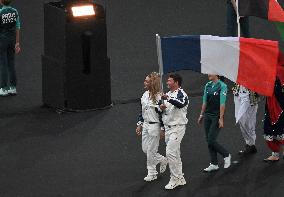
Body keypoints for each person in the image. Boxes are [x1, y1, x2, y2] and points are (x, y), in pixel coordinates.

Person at [157, 73, 188, 190]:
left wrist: (168, 99)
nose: (167, 82)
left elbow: (180, 104)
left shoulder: (182, 94)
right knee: (175, 153)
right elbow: (161, 111)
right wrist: (160, 108)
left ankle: (174, 179)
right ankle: (180, 178)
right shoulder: (167, 94)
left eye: (169, 81)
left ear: (176, 82)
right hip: (168, 128)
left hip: (178, 128)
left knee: (170, 152)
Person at [136, 72, 167, 182]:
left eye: (147, 81)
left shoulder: (160, 97)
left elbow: (163, 115)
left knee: (150, 151)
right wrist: (139, 124)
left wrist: (163, 129)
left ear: (152, 83)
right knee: (145, 149)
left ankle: (152, 173)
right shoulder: (144, 95)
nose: (144, 82)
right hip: (145, 125)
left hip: (155, 126)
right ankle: (162, 159)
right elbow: (142, 111)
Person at [198, 75, 231, 172]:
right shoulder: (207, 85)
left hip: (216, 116)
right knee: (208, 140)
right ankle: (214, 163)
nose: (208, 74)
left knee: (211, 140)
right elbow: (204, 101)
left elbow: (222, 103)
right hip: (208, 115)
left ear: (216, 74)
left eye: (210, 73)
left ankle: (226, 155)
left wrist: (221, 118)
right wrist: (201, 115)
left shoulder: (222, 86)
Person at [263, 63, 284, 162]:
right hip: (270, 108)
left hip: (280, 107)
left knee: (280, 131)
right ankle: (275, 154)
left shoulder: (280, 72)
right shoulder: (267, 73)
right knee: (268, 130)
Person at [0, 0, 21, 96]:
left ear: (1, 1)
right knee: (11, 64)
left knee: (3, 64)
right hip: (12, 40)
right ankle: (13, 88)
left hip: (2, 40)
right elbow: (17, 27)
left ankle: (4, 88)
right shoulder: (15, 11)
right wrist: (17, 43)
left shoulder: (0, 12)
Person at [232, 84, 259, 155]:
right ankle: (250, 144)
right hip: (238, 94)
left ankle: (251, 144)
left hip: (249, 96)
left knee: (249, 122)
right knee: (239, 119)